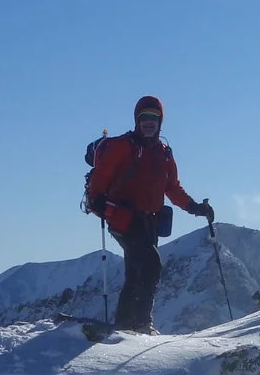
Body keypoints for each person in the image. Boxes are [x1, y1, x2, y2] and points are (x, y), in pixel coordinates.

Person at [86, 95, 213, 334]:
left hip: (150, 222)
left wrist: (195, 207)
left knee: (135, 273)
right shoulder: (123, 146)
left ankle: (124, 327)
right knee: (151, 264)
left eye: (153, 118)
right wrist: (99, 202)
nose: (149, 123)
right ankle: (142, 324)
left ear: (160, 122)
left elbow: (172, 187)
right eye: (144, 118)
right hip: (123, 218)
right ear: (137, 120)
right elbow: (101, 177)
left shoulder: (164, 153)